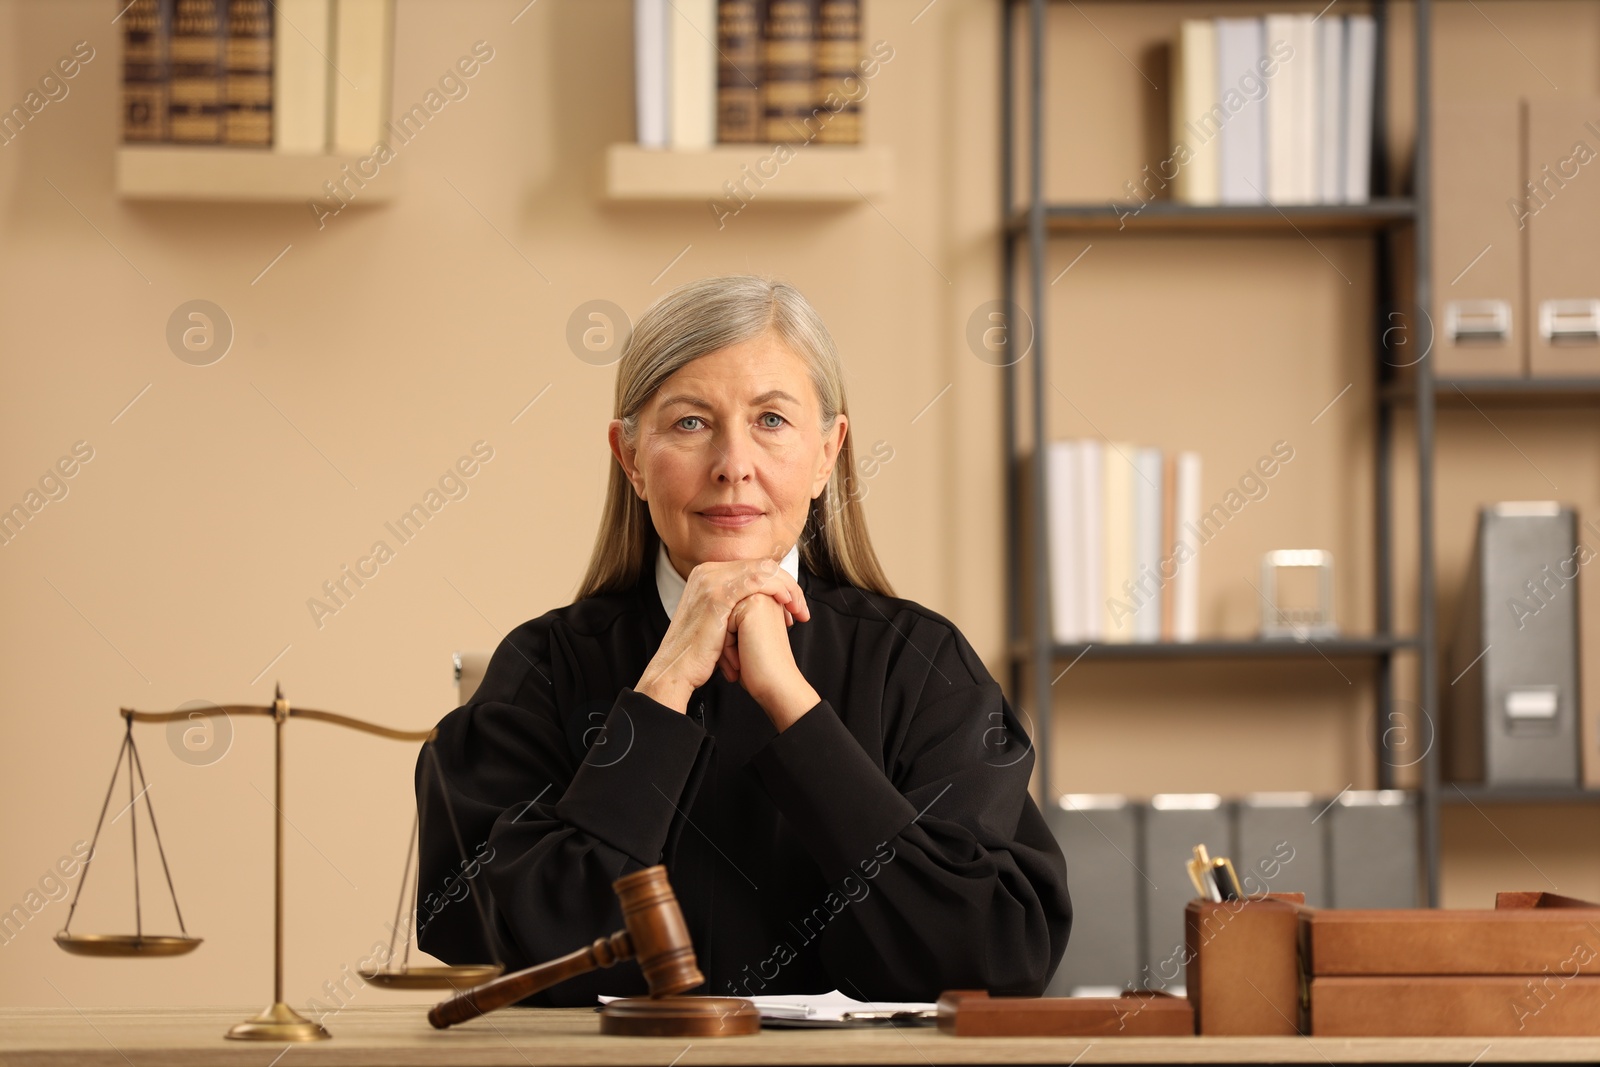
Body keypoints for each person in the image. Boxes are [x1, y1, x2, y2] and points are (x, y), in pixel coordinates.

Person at [416, 275, 1071, 1005]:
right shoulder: (540, 669)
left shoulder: (922, 666)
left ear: (829, 452)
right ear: (629, 457)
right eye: (691, 423)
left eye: (770, 420)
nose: (734, 463)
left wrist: (791, 703)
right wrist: (662, 689)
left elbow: (986, 956)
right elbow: (516, 950)